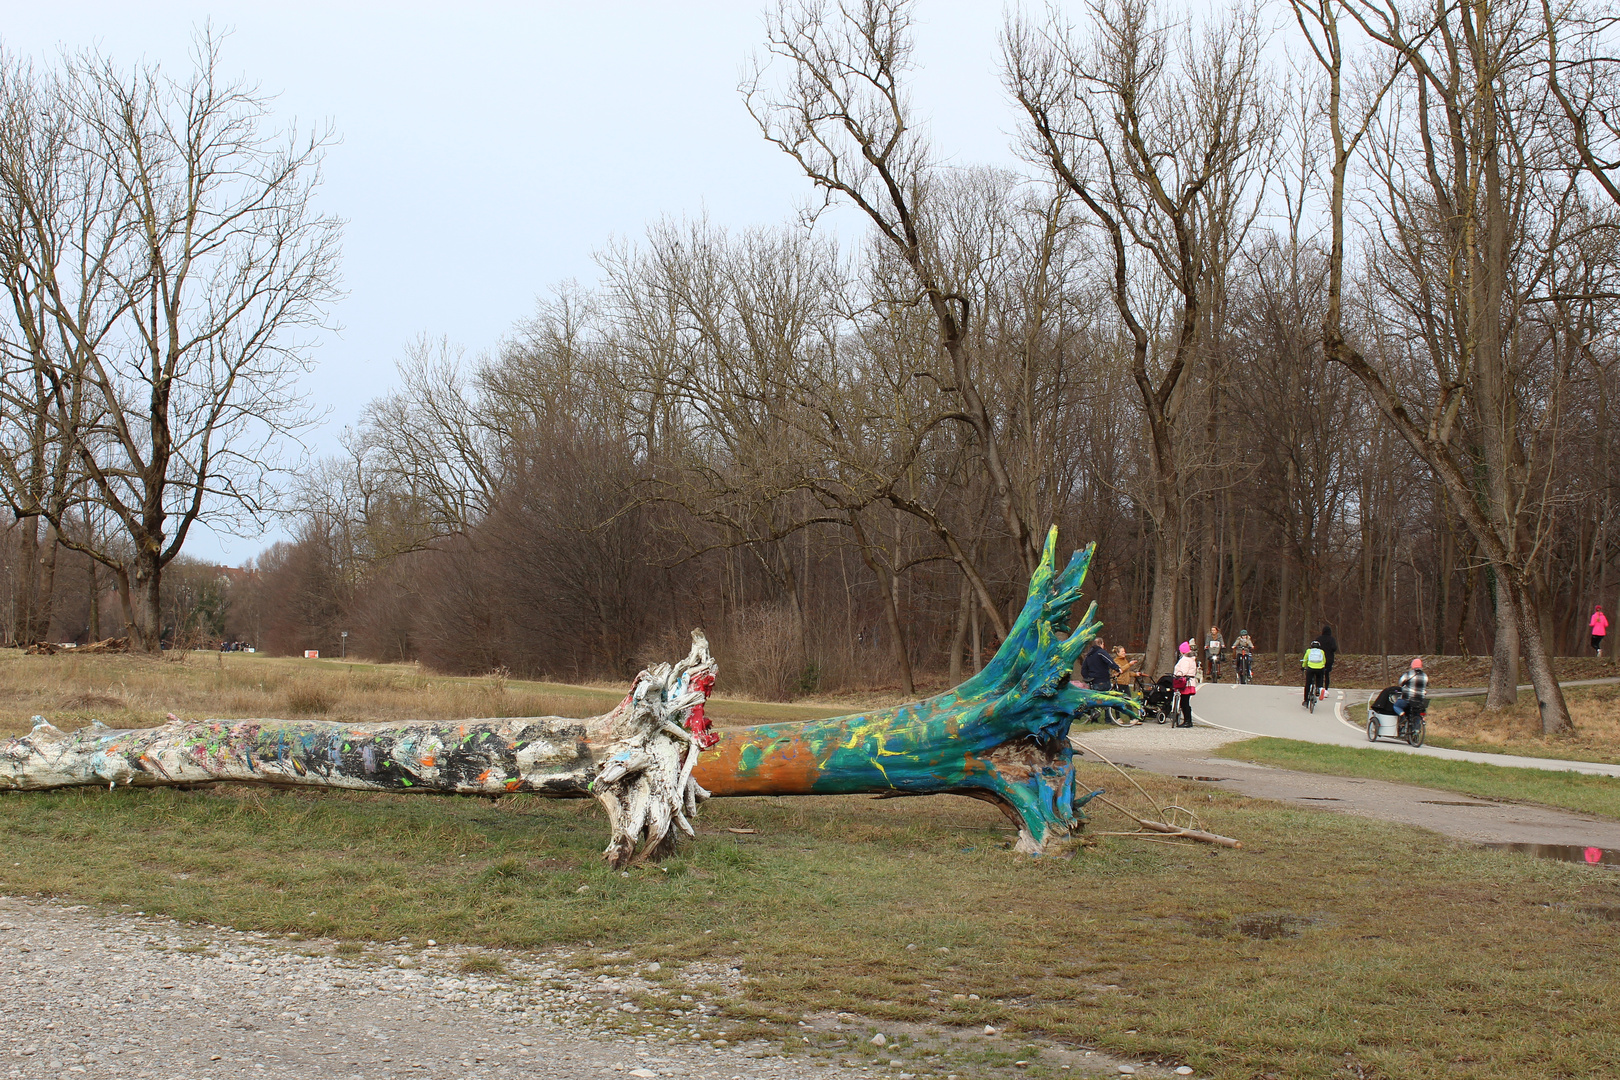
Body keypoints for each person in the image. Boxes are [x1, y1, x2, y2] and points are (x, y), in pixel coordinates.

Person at [1172, 642, 1198, 727]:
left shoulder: (1185, 660)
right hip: (1189, 682)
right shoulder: (1190, 659)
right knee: (1185, 701)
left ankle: (1187, 721)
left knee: (1184, 702)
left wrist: (1178, 675)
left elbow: (1183, 671)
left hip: (1185, 682)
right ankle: (1188, 720)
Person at [1301, 639, 1327, 706]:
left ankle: (1306, 701)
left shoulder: (1308, 651)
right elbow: (1324, 661)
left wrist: (1303, 666)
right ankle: (1319, 689)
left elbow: (1305, 660)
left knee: (1308, 684)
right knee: (1319, 680)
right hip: (1320, 669)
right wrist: (1322, 667)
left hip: (1310, 668)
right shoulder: (1322, 651)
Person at [1318, 624, 1339, 689]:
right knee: (1327, 674)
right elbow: (1334, 648)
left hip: (1320, 659)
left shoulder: (1319, 639)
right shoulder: (1331, 639)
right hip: (1329, 659)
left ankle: (1319, 687)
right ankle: (1326, 688)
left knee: (1320, 674)